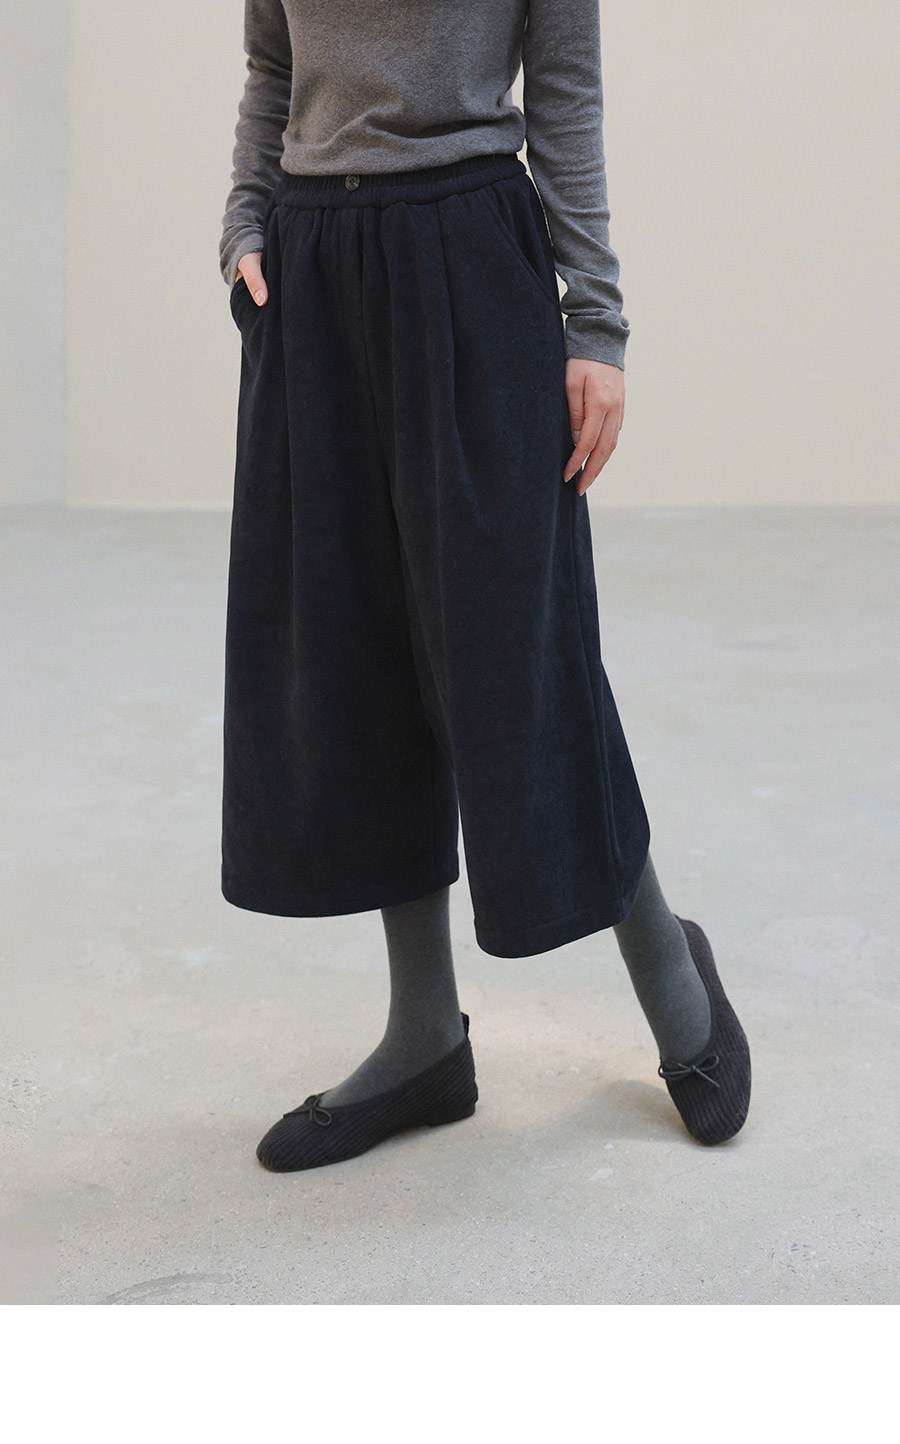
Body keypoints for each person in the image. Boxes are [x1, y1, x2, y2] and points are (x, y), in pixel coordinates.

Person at [218, 0, 751, 1173]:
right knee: (355, 649)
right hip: (315, 271)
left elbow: (564, 91)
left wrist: (595, 325)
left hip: (470, 253)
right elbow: (272, 61)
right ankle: (423, 1036)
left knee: (519, 659)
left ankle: (671, 971)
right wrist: (246, 221)